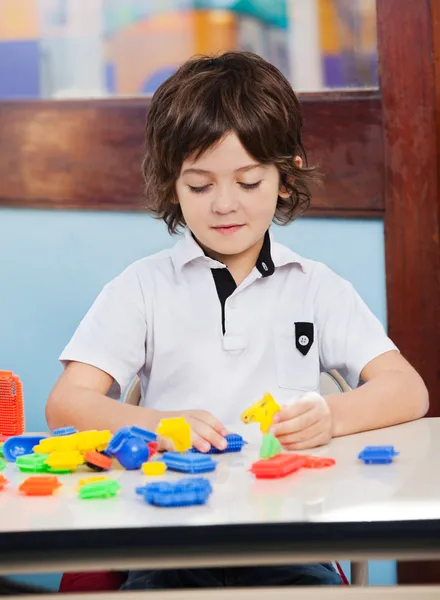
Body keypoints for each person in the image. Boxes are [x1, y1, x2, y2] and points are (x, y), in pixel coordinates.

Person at [47, 51, 428, 589]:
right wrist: (160, 426)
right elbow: (67, 402)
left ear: (285, 178)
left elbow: (407, 390)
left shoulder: (314, 286)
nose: (224, 204)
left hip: (289, 534)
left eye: (248, 182)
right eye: (200, 186)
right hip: (170, 536)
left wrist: (331, 416)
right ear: (171, 184)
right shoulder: (143, 286)